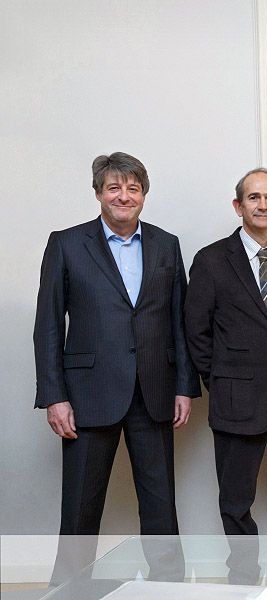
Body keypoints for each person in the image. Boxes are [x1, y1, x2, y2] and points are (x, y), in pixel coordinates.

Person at [33, 152, 199, 582]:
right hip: (87, 395)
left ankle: (168, 589)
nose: (124, 196)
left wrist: (185, 386)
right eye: (114, 188)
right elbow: (48, 325)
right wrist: (54, 397)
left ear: (143, 195)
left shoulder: (166, 244)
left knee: (161, 505)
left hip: (154, 391)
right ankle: (69, 590)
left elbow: (179, 321)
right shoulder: (67, 244)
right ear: (98, 194)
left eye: (133, 188)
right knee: (80, 509)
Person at [184, 168, 267, 546]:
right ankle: (244, 575)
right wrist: (221, 380)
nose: (262, 204)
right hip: (236, 401)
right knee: (236, 502)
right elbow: (196, 331)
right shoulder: (211, 260)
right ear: (238, 206)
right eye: (254, 197)